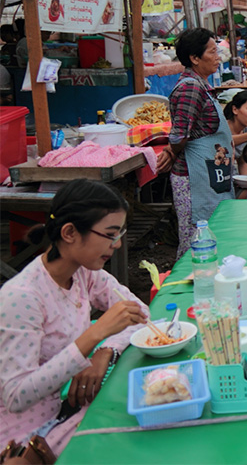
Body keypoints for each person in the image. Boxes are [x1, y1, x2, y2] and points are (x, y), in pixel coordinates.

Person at [0, 181, 149, 455]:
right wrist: (92, 336)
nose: (116, 245)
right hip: (22, 441)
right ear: (70, 232)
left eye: (119, 234)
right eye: (109, 234)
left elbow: (139, 314)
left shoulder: (84, 273)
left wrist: (104, 351)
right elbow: (16, 396)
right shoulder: (22, 297)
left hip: (61, 417)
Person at [157, 28, 235, 257]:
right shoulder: (190, 87)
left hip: (209, 174)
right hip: (194, 179)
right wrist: (172, 153)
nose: (218, 56)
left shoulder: (201, 85)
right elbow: (179, 135)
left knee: (214, 237)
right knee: (197, 242)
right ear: (194, 58)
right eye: (212, 51)